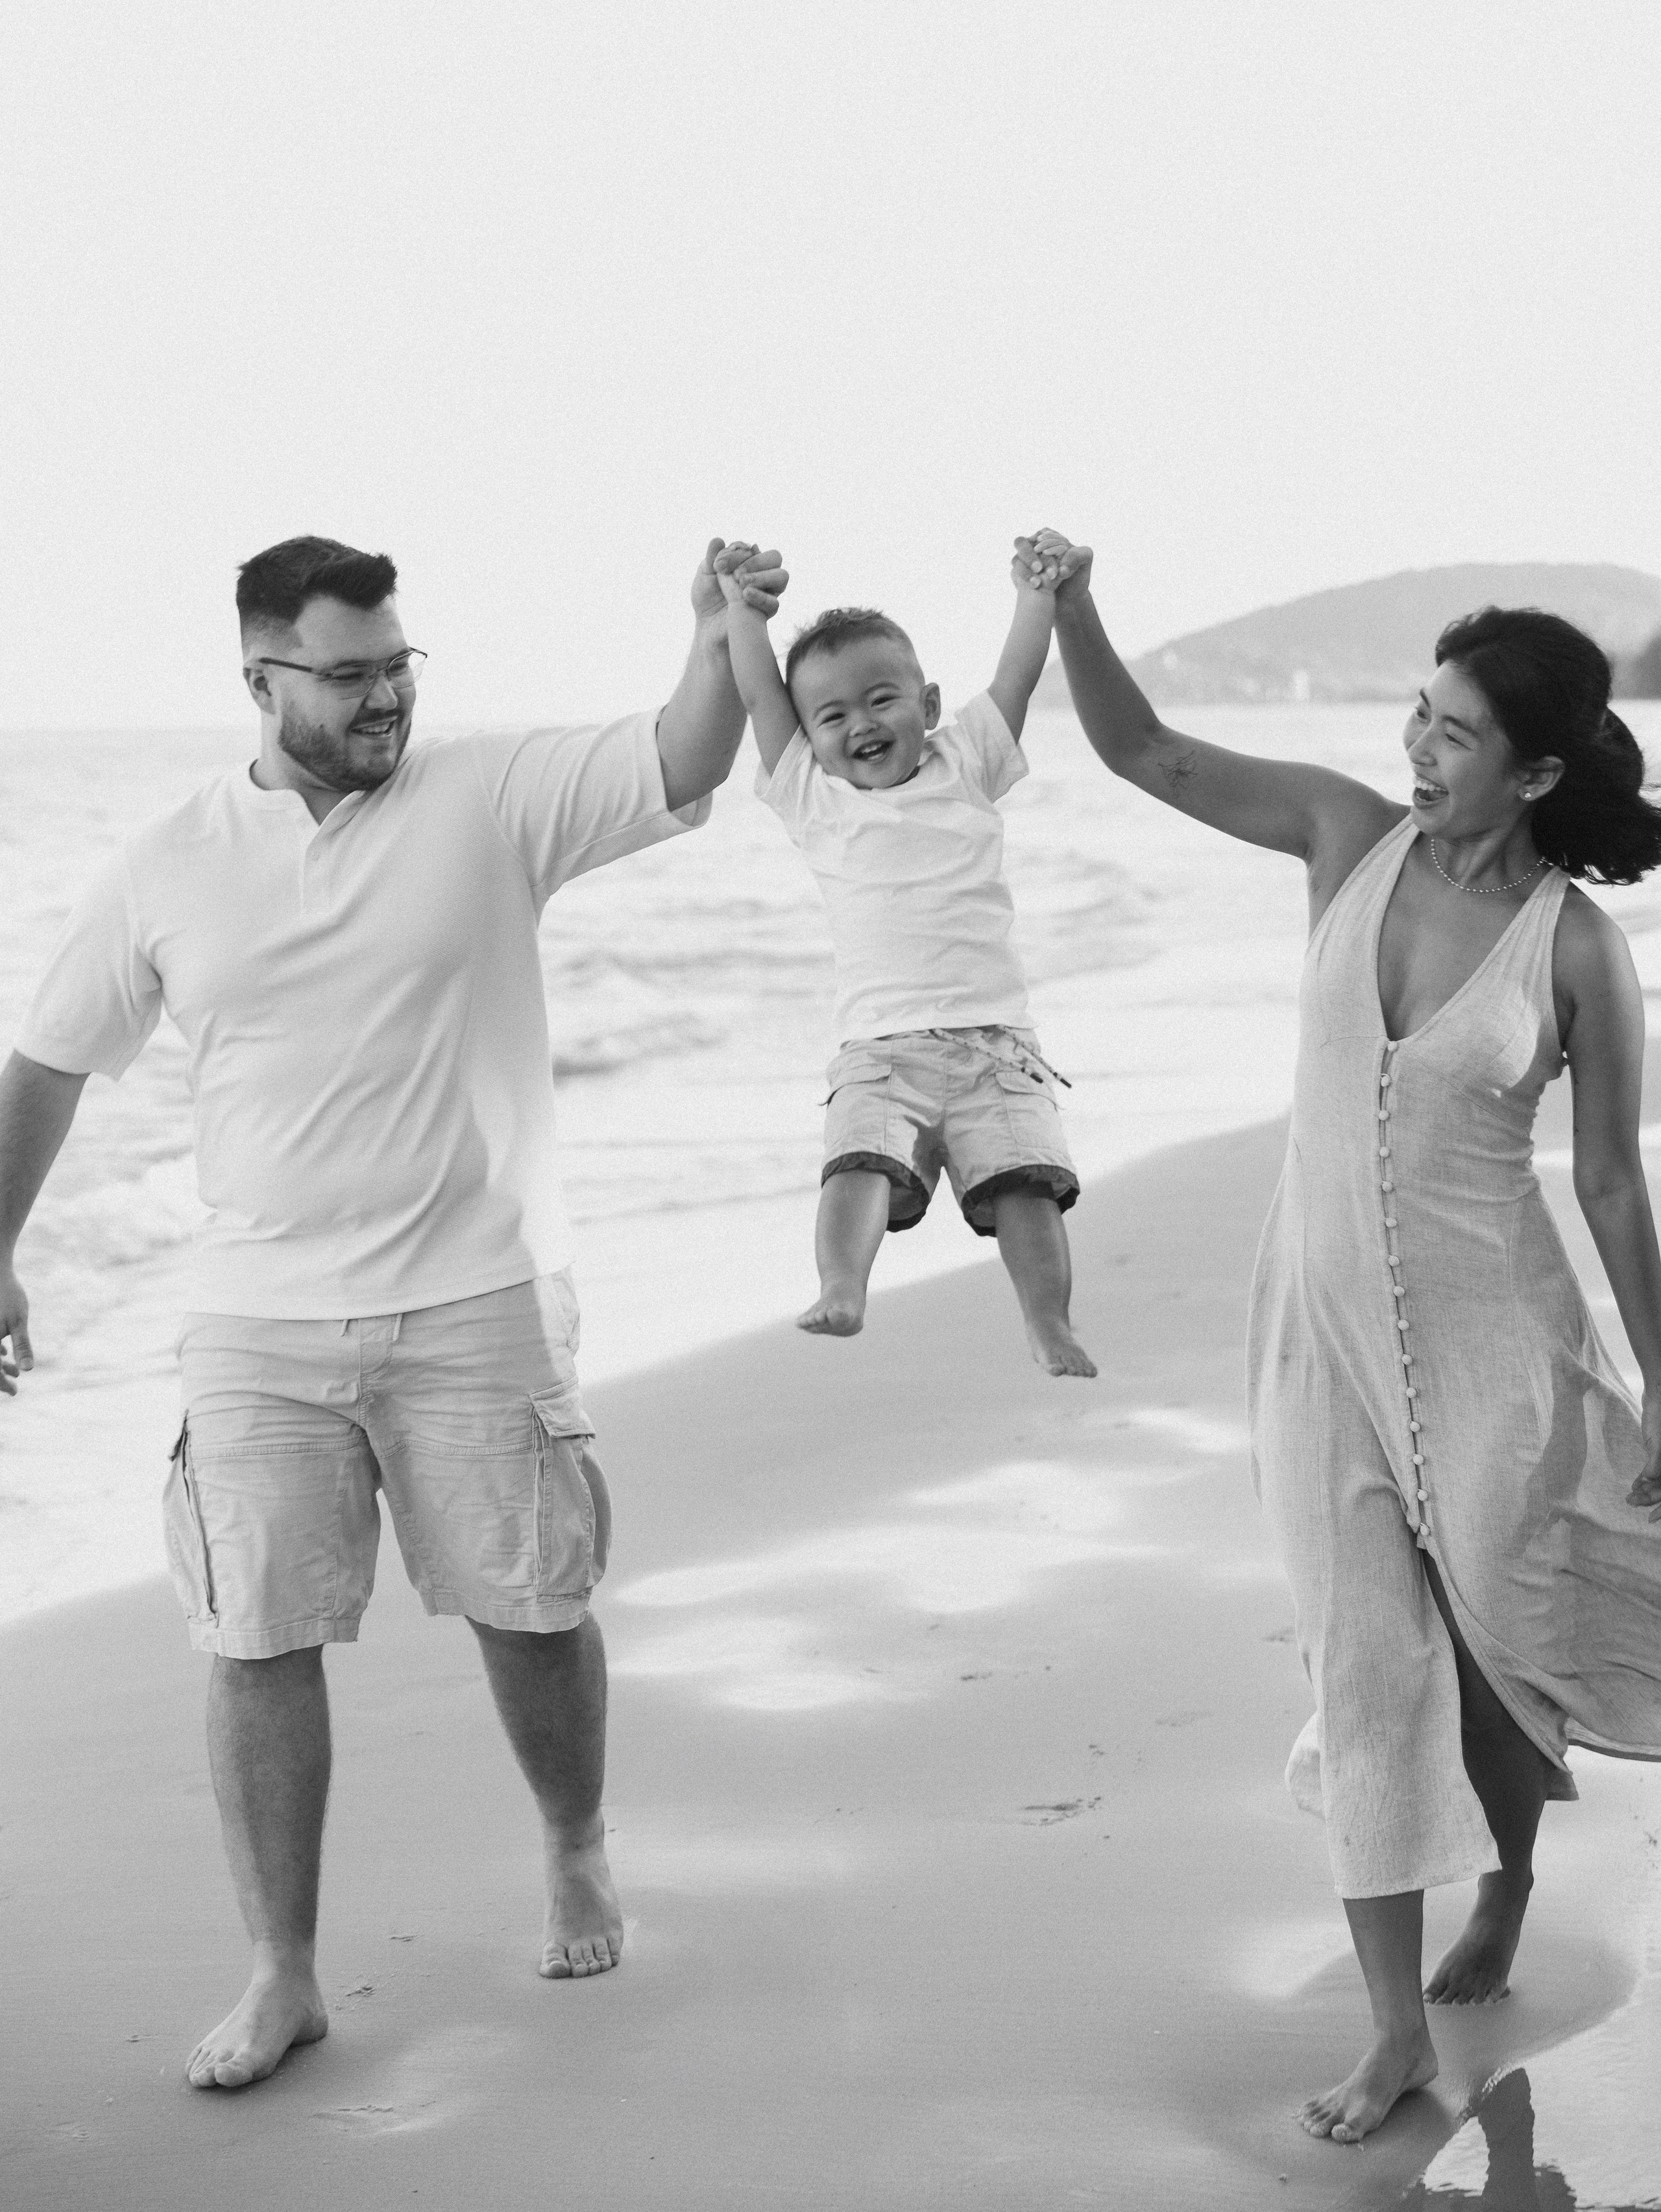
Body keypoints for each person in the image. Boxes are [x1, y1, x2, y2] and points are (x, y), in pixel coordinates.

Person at [0, 530, 786, 2091]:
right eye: (349, 674)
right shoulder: (166, 860)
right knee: (255, 1632)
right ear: (262, 677)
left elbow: (681, 750)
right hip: (255, 1315)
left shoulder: (487, 798)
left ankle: (574, 1849)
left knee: (532, 1602)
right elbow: (51, 1060)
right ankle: (281, 1971)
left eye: (397, 668)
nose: (382, 700)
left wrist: (712, 633)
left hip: (479, 1287)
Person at [1041, 527, 1661, 2145]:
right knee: (1367, 1672)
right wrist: (1068, 604)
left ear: (1531, 776)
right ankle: (1390, 2029)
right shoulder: (1342, 834)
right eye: (1417, 712)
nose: (1415, 747)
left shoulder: (1575, 949)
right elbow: (1137, 748)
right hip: (1313, 1337)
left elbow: (1604, 1183)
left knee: (1493, 1662)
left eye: (1452, 733)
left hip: (1490, 1354)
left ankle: (1506, 1890)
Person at [713, 540, 1095, 1378]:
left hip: (996, 1046)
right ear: (810, 736)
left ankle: (1049, 1321)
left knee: (1025, 1184)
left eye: (881, 700)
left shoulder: (966, 763)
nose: (861, 725)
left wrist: (1036, 598)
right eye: (833, 716)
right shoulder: (814, 797)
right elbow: (756, 695)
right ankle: (842, 1285)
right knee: (858, 1165)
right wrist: (743, 615)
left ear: (927, 703)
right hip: (881, 1048)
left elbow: (1019, 679)